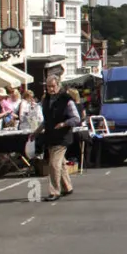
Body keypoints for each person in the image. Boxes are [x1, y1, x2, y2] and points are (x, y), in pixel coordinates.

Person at [32, 74, 81, 202]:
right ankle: (67, 187)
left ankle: (54, 192)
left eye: (53, 86)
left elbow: (76, 118)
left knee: (54, 164)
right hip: (50, 136)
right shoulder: (46, 100)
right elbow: (46, 121)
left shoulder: (67, 100)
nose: (51, 89)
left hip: (62, 137)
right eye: (48, 87)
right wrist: (36, 132)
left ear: (58, 85)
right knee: (61, 164)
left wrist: (64, 123)